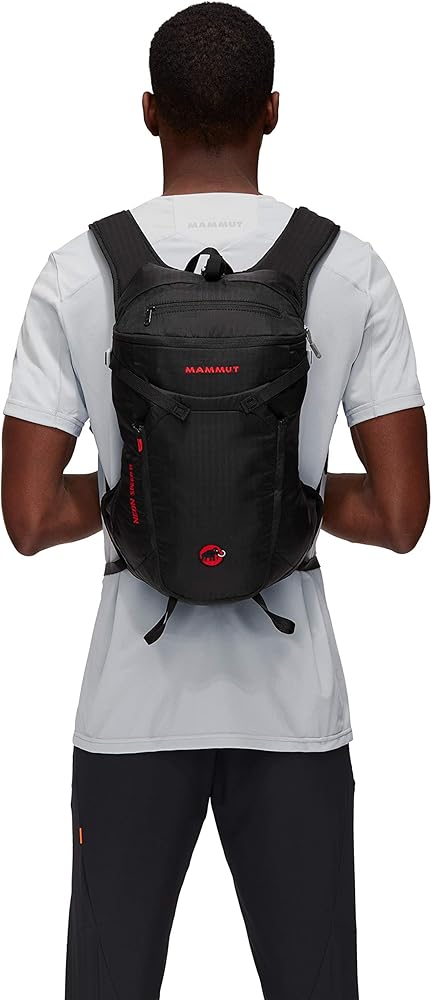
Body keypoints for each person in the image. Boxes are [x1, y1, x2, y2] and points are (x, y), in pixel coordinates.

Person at [1, 3, 429, 998]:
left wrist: (148, 486)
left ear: (148, 111)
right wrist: (274, 490)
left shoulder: (77, 269)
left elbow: (28, 518)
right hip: (293, 708)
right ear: (272, 110)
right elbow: (401, 516)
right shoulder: (349, 265)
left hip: (129, 709)